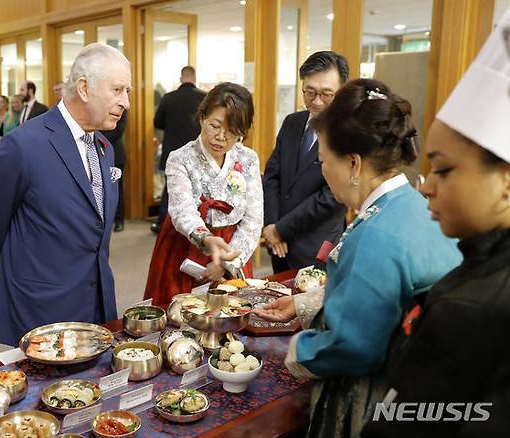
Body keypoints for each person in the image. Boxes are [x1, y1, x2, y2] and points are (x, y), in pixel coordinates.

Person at [254, 79, 462, 437]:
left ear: (352, 163)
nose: (322, 171)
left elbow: (354, 347)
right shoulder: (411, 204)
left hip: (383, 397)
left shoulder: (375, 234)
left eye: (323, 162)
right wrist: (304, 303)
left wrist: (291, 349)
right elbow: (386, 295)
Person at [362, 10, 510, 436]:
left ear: (505, 180)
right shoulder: (478, 266)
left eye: (443, 171)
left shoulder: (473, 308)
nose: (426, 188)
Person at [0, 43, 131, 346]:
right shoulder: (22, 147)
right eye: (117, 90)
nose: (125, 102)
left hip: (96, 301)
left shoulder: (105, 148)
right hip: (41, 307)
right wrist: (14, 281)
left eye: (127, 91)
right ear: (84, 88)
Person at [143, 82, 262, 307]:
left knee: (230, 317)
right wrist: (205, 239)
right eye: (214, 126)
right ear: (202, 118)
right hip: (186, 244)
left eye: (232, 132)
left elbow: (253, 219)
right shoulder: (180, 158)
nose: (221, 137)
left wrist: (226, 263)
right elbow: (182, 210)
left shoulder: (248, 159)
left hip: (232, 248)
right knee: (178, 317)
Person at [263, 51, 348, 272]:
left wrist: (281, 229)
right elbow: (272, 175)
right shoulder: (293, 122)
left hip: (315, 246)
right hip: (278, 244)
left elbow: (331, 197)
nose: (316, 101)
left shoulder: (348, 132)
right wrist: (271, 226)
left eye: (326, 94)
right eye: (309, 92)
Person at [151, 66, 206, 233]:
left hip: (172, 151)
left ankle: (163, 225)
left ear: (181, 78)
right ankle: (199, 226)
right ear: (194, 78)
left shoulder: (168, 98)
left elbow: (157, 123)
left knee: (170, 190)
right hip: (198, 152)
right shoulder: (204, 98)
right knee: (200, 189)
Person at [100, 110, 127, 231]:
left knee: (117, 190)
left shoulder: (121, 108)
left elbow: (119, 130)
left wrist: (98, 139)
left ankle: (119, 220)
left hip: (116, 153)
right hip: (96, 153)